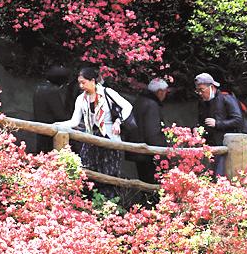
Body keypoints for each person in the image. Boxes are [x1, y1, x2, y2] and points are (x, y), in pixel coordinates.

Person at [55, 65, 134, 193]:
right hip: (90, 137)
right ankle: (90, 203)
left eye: (83, 82)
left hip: (109, 136)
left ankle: (110, 203)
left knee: (110, 173)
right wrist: (57, 125)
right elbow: (74, 121)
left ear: (92, 81)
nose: (81, 86)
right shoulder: (81, 99)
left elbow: (128, 107)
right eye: (79, 83)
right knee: (87, 171)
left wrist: (118, 121)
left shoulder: (107, 93)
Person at [195, 72, 246, 176]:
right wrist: (197, 129)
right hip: (210, 146)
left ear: (212, 87)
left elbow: (238, 120)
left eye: (202, 90)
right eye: (197, 90)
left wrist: (218, 124)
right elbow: (202, 122)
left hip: (227, 147)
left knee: (220, 176)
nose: (200, 93)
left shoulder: (226, 98)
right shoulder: (202, 103)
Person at [127, 76, 170, 183]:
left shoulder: (140, 101)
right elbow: (152, 132)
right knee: (153, 183)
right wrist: (161, 154)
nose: (165, 94)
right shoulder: (152, 105)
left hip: (138, 150)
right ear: (160, 92)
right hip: (149, 152)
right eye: (165, 92)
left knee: (144, 181)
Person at [31, 64, 77, 154]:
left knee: (42, 153)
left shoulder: (39, 88)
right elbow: (60, 114)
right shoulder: (52, 92)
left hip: (40, 126)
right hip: (51, 129)